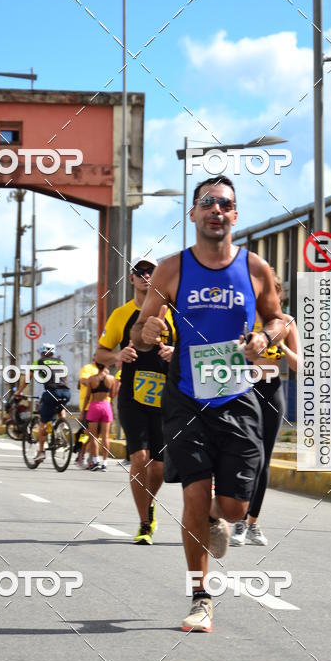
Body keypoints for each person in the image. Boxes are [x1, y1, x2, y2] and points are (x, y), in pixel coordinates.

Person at [131, 176, 284, 631]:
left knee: (234, 508)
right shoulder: (171, 269)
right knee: (194, 493)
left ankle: (220, 516)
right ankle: (200, 597)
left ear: (235, 215)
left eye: (225, 204)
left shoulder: (256, 269)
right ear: (193, 214)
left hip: (238, 395)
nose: (216, 210)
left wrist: (264, 336)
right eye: (207, 203)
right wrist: (149, 332)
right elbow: (143, 329)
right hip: (187, 396)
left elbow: (279, 318)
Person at [96, 255, 175, 545]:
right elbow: (100, 354)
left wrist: (174, 352)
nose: (144, 276)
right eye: (139, 272)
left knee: (160, 466)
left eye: (150, 271)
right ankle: (144, 523)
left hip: (167, 399)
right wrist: (117, 356)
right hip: (132, 395)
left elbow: (191, 348)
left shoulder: (172, 312)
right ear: (131, 278)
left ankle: (149, 505)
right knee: (140, 458)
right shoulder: (121, 314)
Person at [229, 269, 298, 547]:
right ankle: (236, 519)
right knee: (245, 453)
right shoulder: (246, 320)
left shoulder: (287, 323)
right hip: (246, 390)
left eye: (273, 295)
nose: (269, 301)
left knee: (263, 458)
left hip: (273, 390)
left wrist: (280, 348)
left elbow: (299, 364)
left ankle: (251, 523)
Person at [16, 343, 71, 467]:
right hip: (66, 392)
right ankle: (62, 424)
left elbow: (27, 379)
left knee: (42, 422)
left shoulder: (39, 362)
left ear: (41, 352)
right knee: (60, 404)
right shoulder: (61, 362)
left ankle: (41, 452)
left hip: (51, 392)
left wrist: (18, 392)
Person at [83, 362, 118, 471]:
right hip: (106, 407)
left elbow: (88, 396)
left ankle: (96, 461)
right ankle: (105, 462)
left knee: (93, 437)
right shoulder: (111, 378)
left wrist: (82, 411)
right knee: (105, 437)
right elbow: (112, 395)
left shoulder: (91, 379)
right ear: (106, 366)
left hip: (94, 407)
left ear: (96, 366)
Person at [74, 357, 99, 467]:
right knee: (87, 432)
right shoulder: (87, 368)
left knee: (96, 435)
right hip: (87, 406)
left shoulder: (105, 370)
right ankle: (81, 454)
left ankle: (91, 457)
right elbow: (83, 381)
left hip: (100, 406)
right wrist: (97, 381)